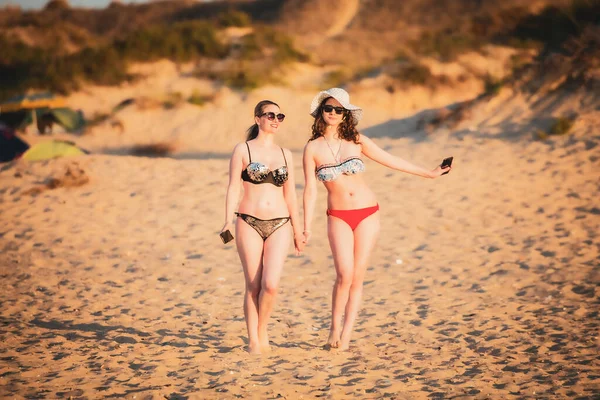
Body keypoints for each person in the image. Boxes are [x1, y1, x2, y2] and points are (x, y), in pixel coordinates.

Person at [302, 88, 452, 351]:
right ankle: (333, 329)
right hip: (337, 215)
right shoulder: (312, 148)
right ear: (321, 112)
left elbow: (390, 159)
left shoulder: (357, 140)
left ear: (346, 113)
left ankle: (346, 336)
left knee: (357, 276)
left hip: (367, 211)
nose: (334, 113)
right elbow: (310, 189)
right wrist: (304, 226)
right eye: (329, 109)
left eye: (339, 110)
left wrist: (428, 174)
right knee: (343, 275)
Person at [221, 100, 304, 354]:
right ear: (258, 118)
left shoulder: (285, 154)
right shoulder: (243, 149)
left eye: (280, 115)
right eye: (270, 115)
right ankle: (253, 340)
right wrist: (227, 220)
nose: (276, 119)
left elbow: (290, 194)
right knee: (253, 284)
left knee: (271, 285)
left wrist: (298, 230)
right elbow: (234, 186)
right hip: (248, 220)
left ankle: (262, 328)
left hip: (280, 223)